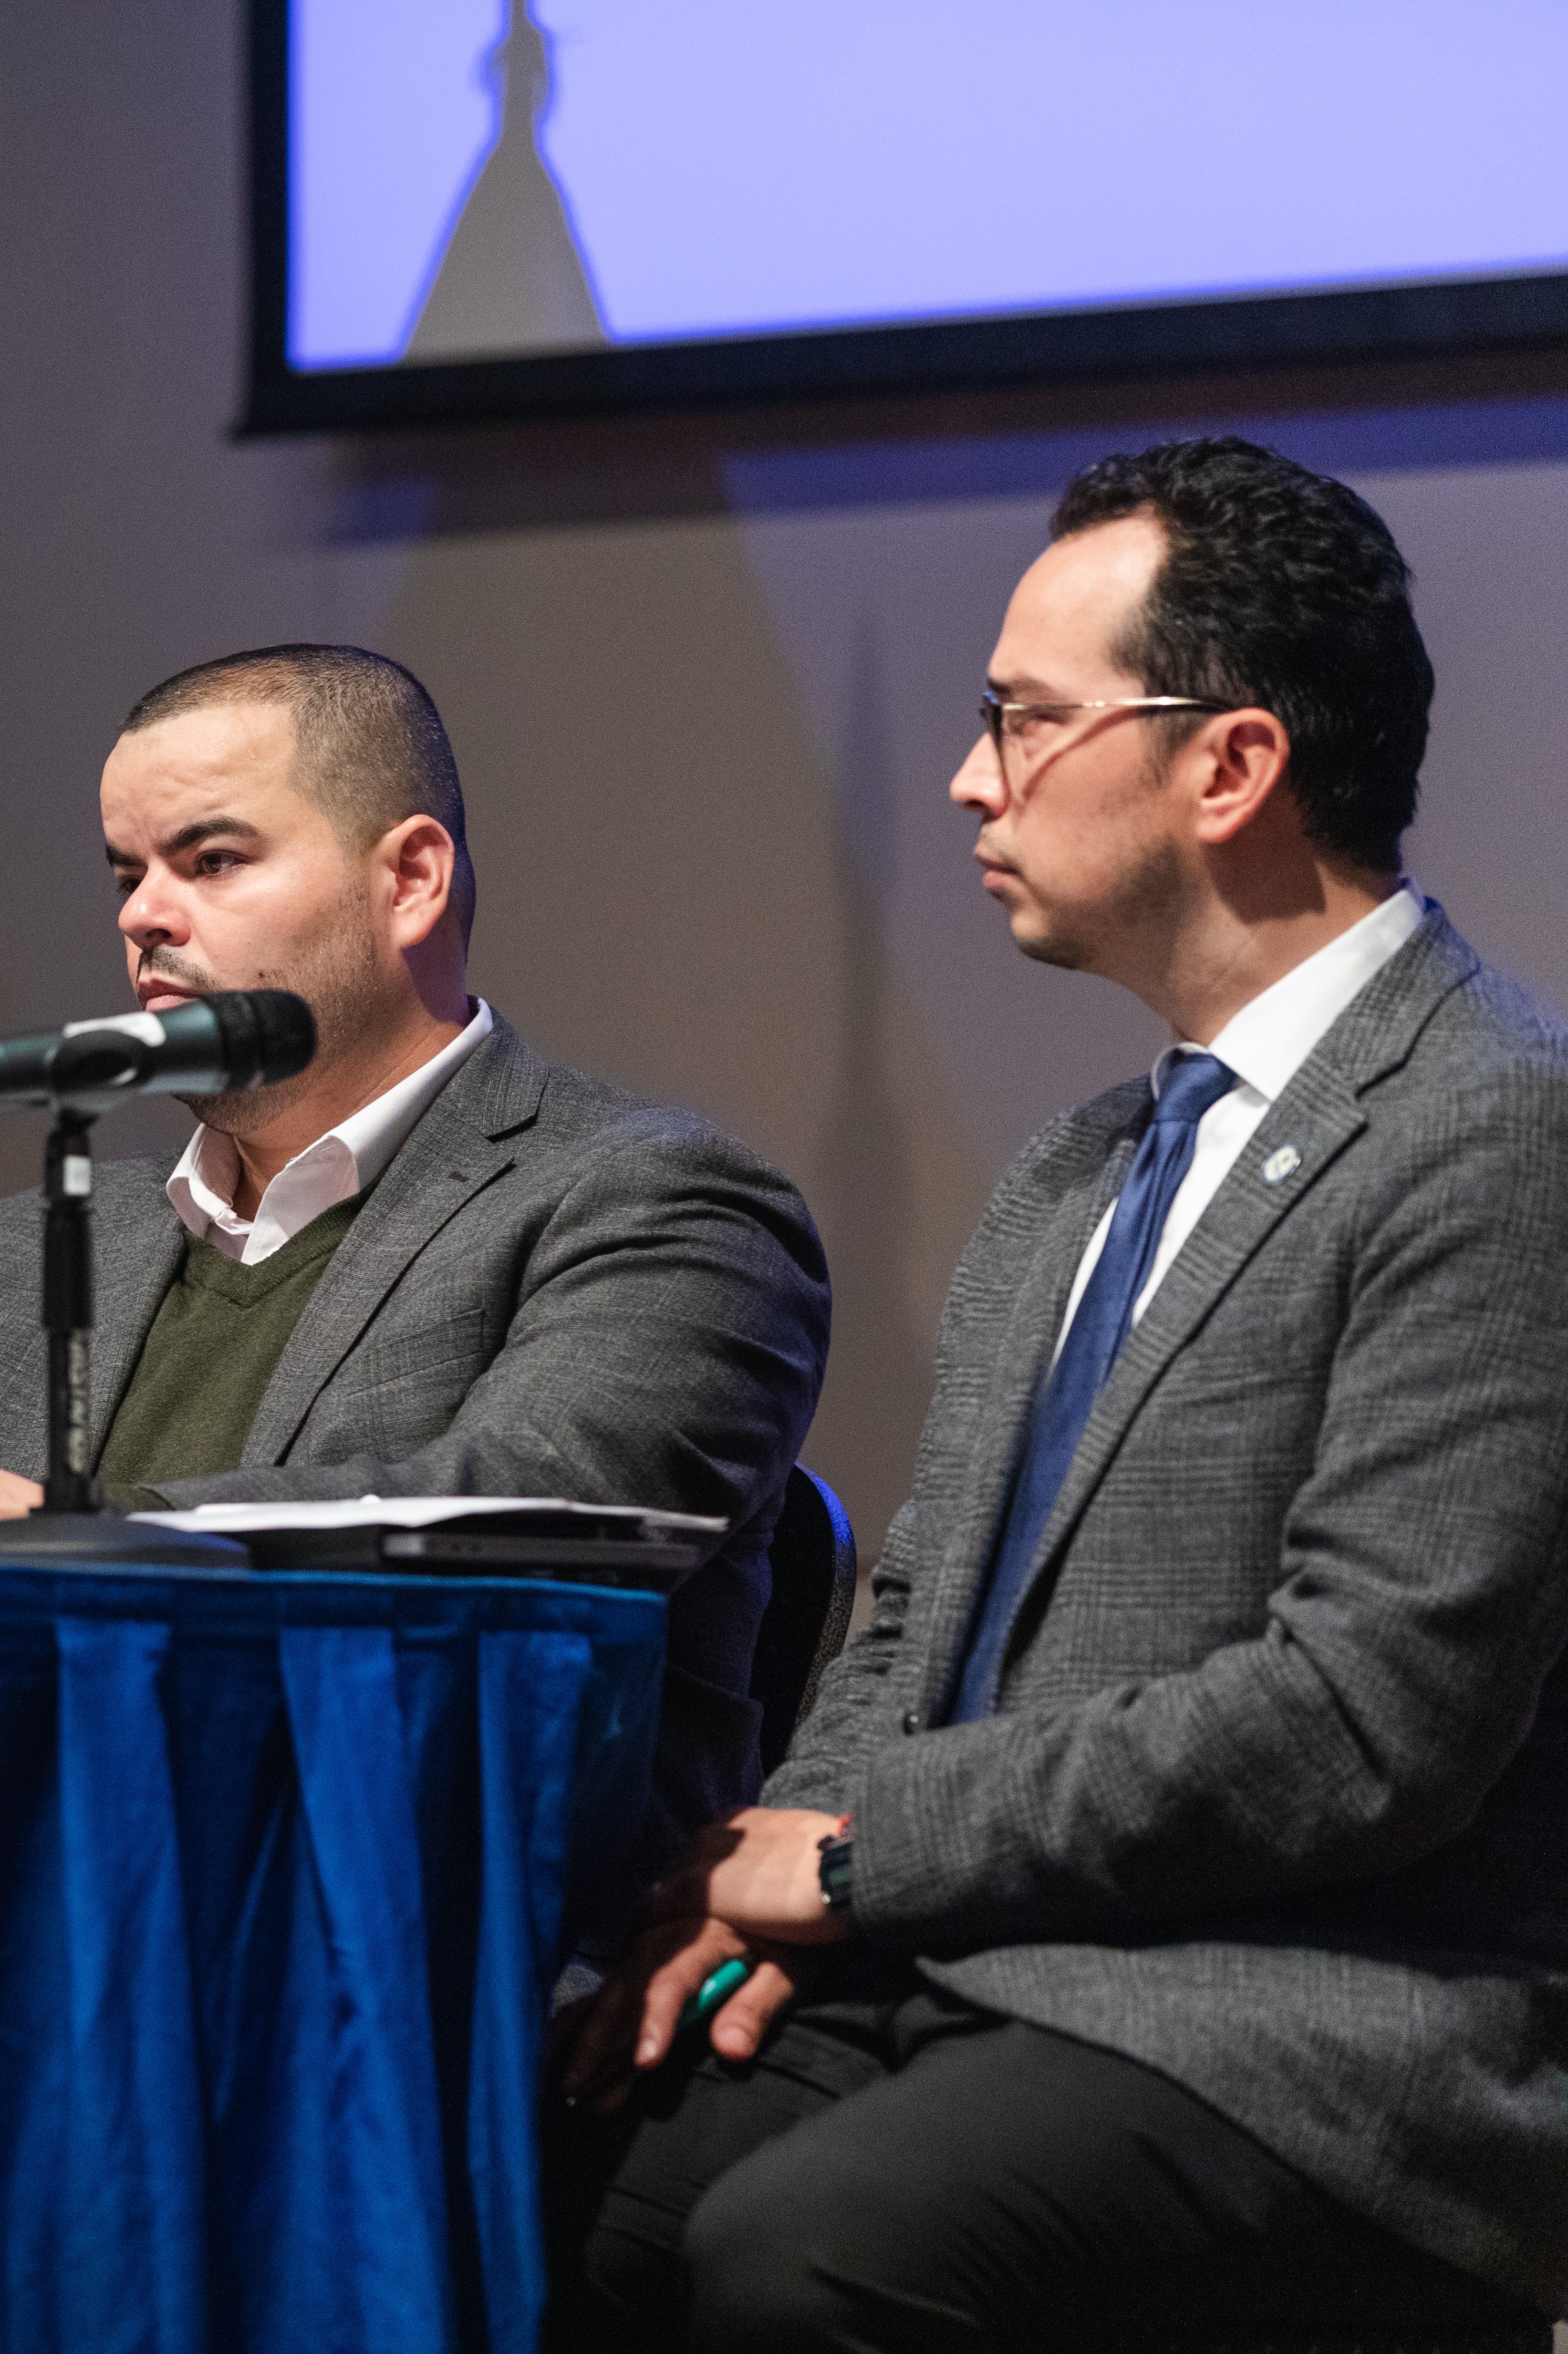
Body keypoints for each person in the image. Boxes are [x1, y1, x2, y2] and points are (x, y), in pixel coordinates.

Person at [548, 440, 1568, 2349]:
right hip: (996, 1967)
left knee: (812, 2257)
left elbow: (1367, 1718)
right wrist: (759, 1896)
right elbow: (915, 1615)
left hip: (1331, 2025)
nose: (968, 778)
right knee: (541, 2164)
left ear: (1231, 766)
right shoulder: (1079, 1166)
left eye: (1022, 721)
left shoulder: (1497, 1131)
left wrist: (858, 1861)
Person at [0, 643, 832, 1883]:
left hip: (421, 1941)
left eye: (213, 860)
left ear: (408, 878)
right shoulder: (22, 1257)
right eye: (128, 874)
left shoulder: (657, 1202)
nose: (142, 915)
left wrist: (75, 1533)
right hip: (8, 1914)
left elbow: (527, 1517)